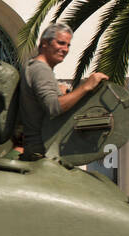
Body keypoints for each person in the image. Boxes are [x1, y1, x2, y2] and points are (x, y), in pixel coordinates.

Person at [18, 22, 109, 160]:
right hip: (43, 151)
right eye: (60, 43)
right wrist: (85, 87)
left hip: (42, 148)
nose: (65, 49)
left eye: (68, 45)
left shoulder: (34, 66)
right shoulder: (41, 69)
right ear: (44, 43)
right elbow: (54, 106)